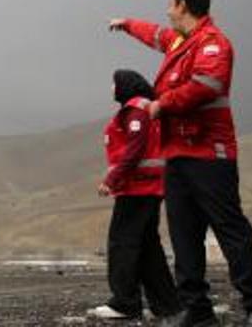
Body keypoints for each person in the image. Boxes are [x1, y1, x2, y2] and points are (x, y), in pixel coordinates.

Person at [109, 0, 252, 327]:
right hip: (177, 155)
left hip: (209, 155)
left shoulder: (213, 43)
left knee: (230, 231)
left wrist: (161, 105)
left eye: (170, 4)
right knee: (184, 235)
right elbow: (153, 33)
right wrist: (125, 23)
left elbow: (206, 85)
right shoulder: (179, 42)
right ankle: (196, 311)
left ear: (182, 5)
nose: (167, 11)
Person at [89, 69, 182, 321]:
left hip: (137, 189)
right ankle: (168, 305)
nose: (111, 88)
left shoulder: (136, 110)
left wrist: (111, 180)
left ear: (126, 86)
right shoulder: (145, 107)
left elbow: (135, 147)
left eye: (114, 84)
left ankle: (125, 303)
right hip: (148, 188)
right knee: (148, 248)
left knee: (122, 243)